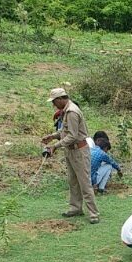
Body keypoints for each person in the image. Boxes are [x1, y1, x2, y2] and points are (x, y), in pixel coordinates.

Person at [40, 88, 99, 223]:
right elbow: (65, 130)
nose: (53, 105)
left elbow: (72, 136)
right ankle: (76, 208)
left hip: (79, 151)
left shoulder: (72, 112)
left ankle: (93, 213)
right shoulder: (67, 110)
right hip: (71, 150)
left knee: (84, 183)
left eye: (54, 101)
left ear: (61, 99)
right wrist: (53, 136)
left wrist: (55, 146)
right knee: (73, 181)